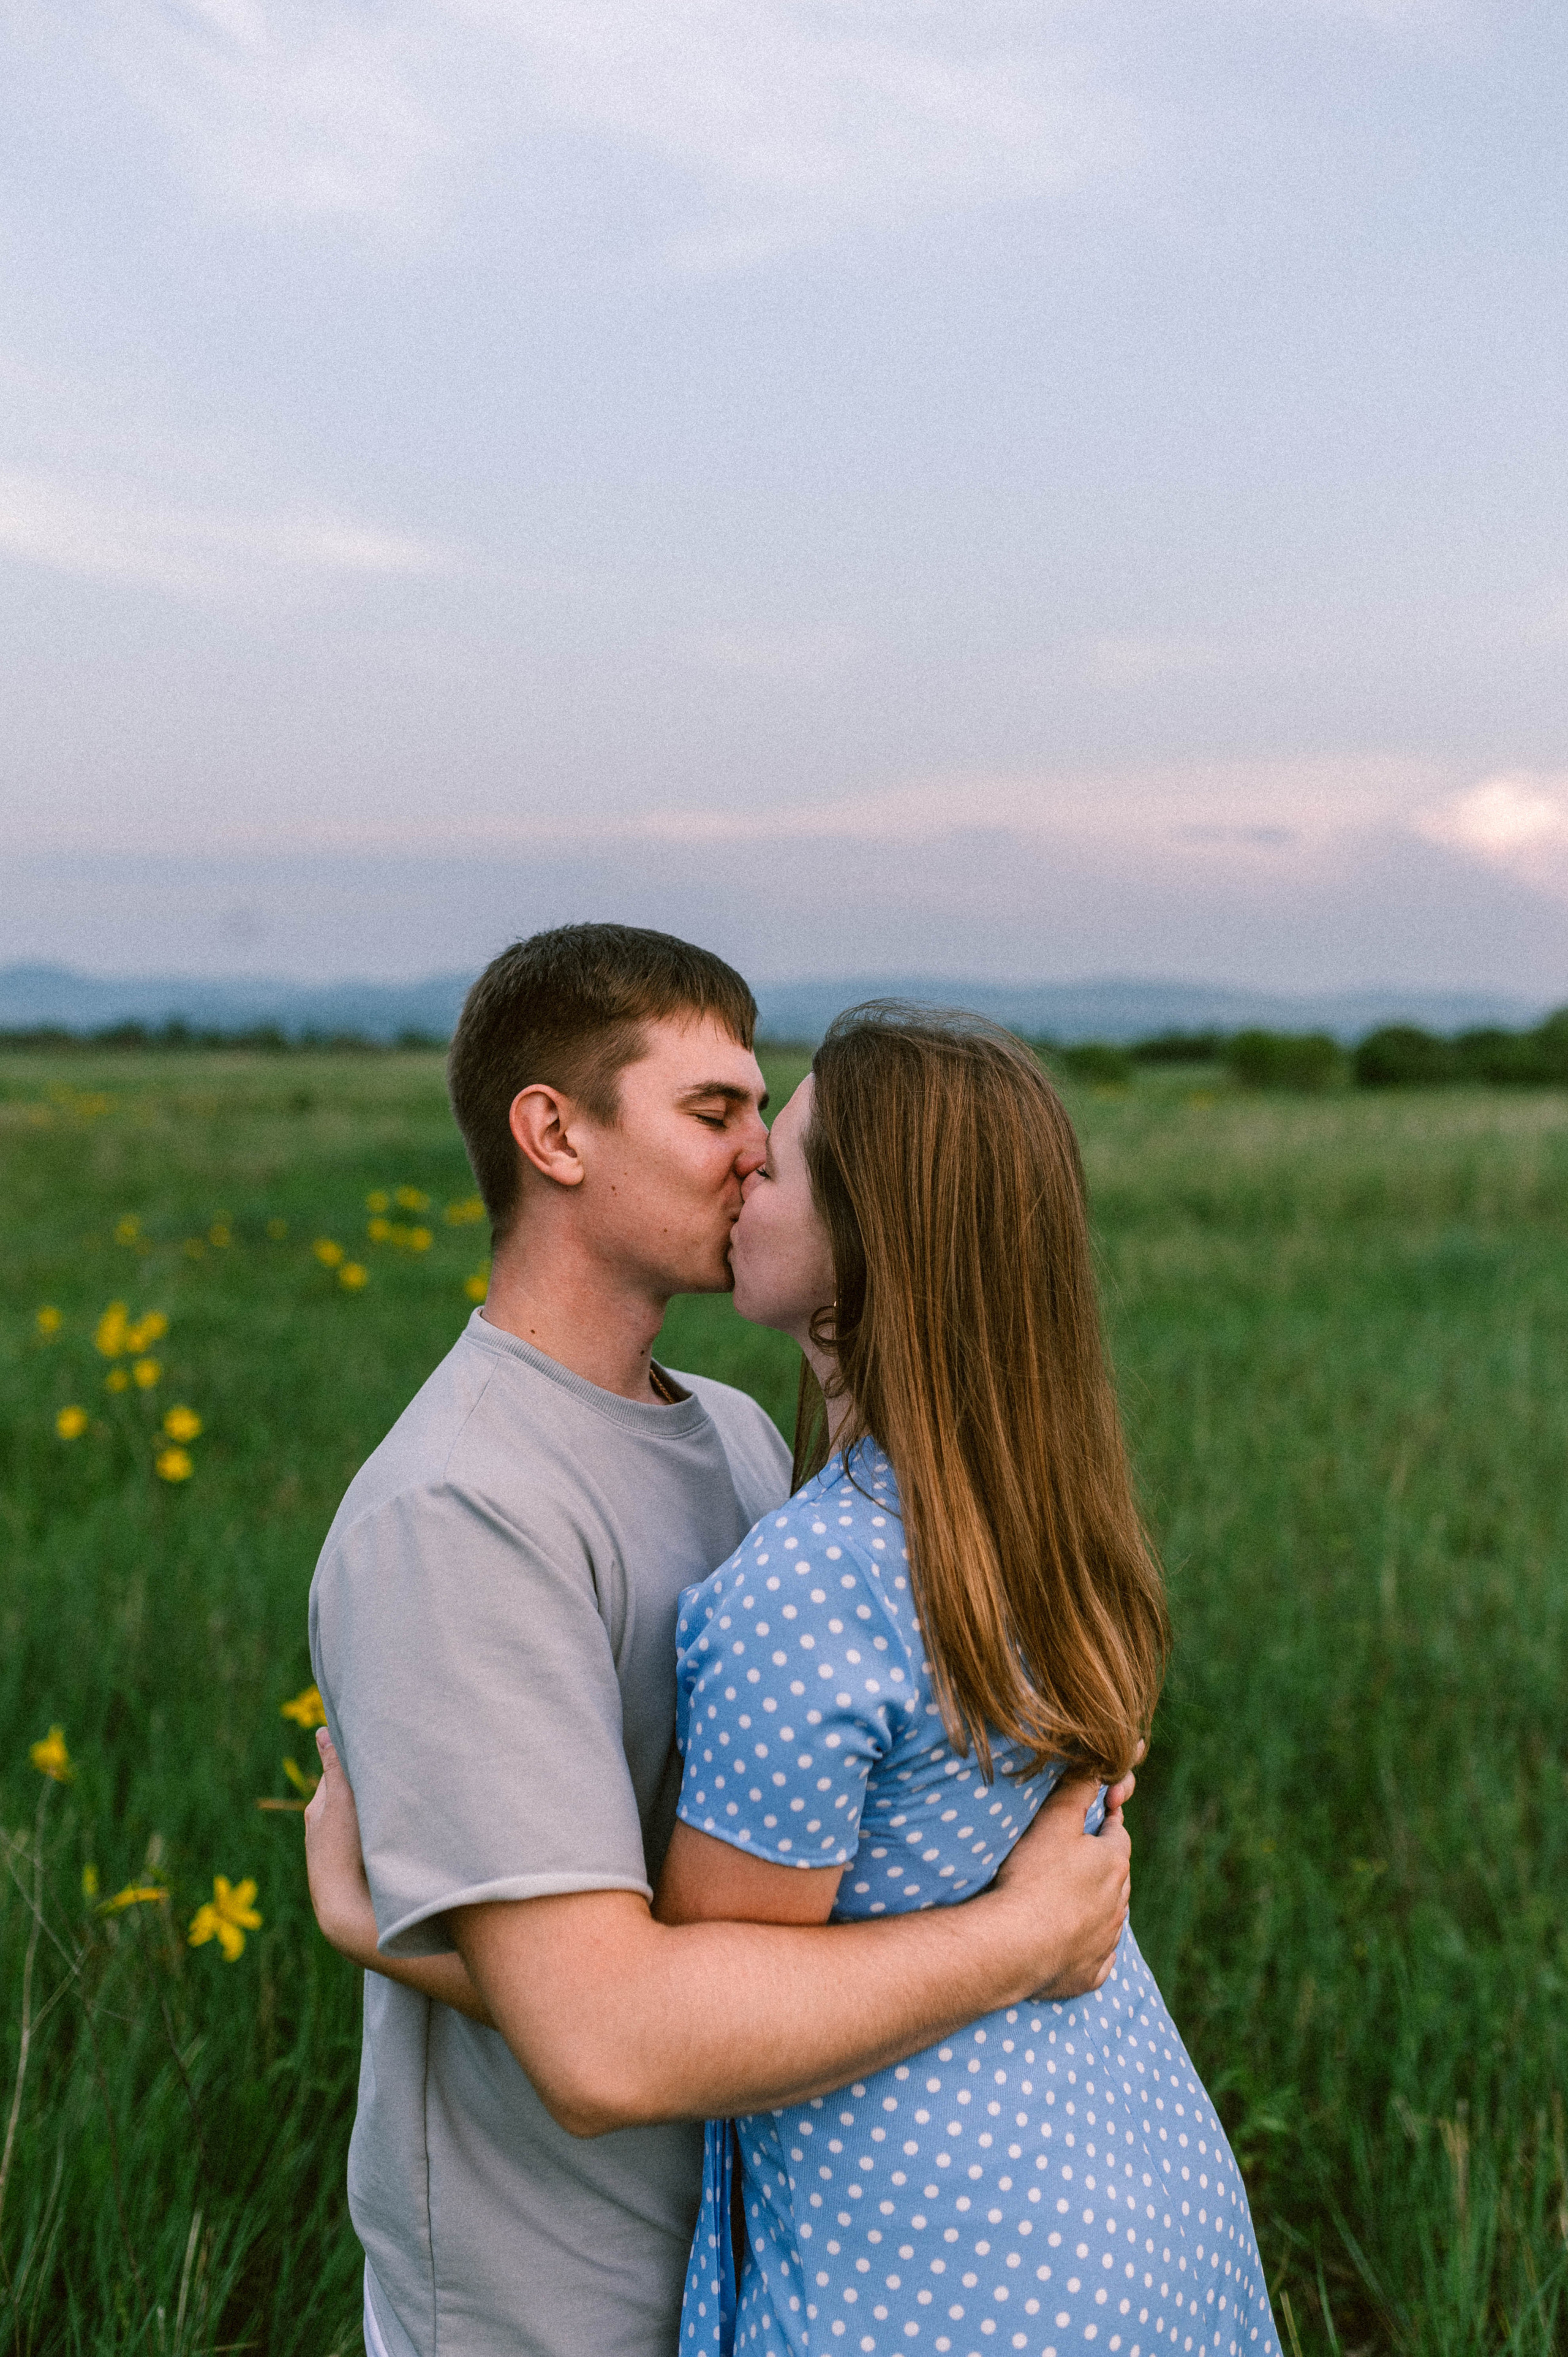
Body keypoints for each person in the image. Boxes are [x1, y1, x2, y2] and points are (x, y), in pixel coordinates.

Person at [304, 928, 1136, 2357]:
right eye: (714, 1112)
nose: (757, 1154)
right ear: (552, 1133)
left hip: (783, 2251)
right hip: (565, 2293)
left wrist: (385, 1921)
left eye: (765, 1115)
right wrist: (1015, 1941)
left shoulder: (742, 1437)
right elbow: (598, 2045)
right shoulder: (462, 1508)